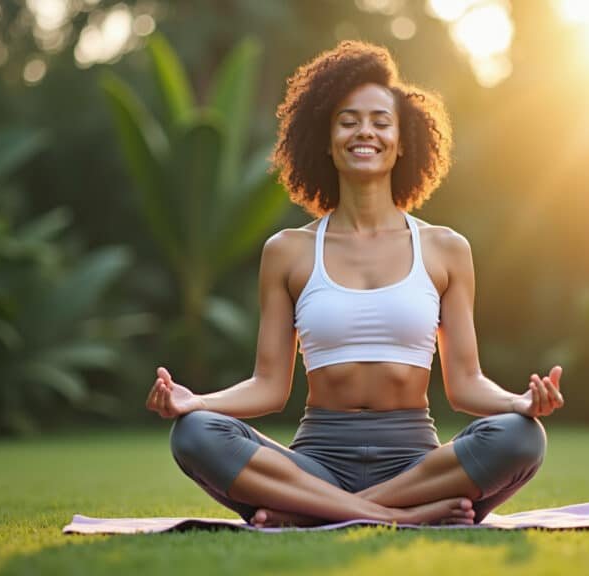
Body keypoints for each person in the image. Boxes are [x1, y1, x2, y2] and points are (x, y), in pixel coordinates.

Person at [145, 40, 564, 528]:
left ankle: (311, 516)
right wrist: (195, 402)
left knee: (522, 437)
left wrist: (519, 403)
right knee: (194, 434)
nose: (365, 131)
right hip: (315, 465)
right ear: (325, 139)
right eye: (348, 120)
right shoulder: (288, 251)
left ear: (402, 140)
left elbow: (465, 384)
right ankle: (399, 517)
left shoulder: (446, 248)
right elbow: (268, 386)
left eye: (381, 122)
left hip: (416, 465)